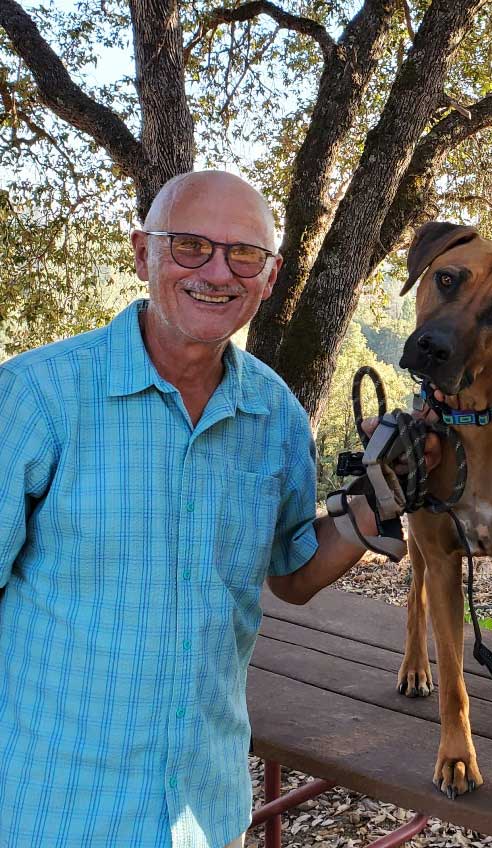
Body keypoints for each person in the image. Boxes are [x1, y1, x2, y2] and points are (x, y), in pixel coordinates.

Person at [0, 170, 434, 848]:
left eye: (243, 254)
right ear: (143, 253)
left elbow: (292, 571)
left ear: (269, 274)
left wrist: (372, 508)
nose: (218, 271)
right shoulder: (37, 396)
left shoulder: (275, 415)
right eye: (190, 247)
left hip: (205, 814)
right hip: (51, 811)